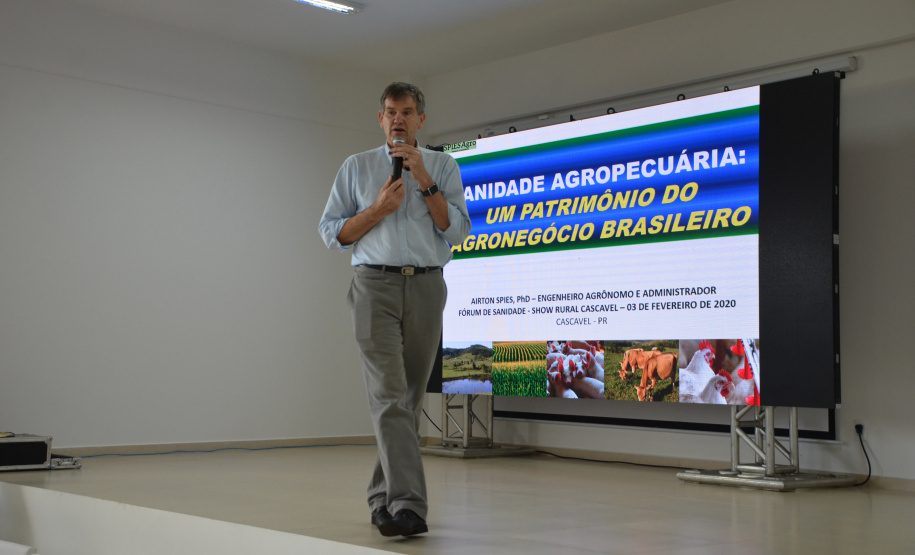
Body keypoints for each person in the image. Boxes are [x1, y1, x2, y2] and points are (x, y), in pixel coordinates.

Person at [318, 82, 471, 537]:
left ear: (421, 120)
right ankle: (409, 507)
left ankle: (380, 498)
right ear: (381, 118)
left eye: (407, 111)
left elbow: (457, 231)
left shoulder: (443, 166)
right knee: (389, 395)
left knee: (407, 401)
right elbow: (332, 232)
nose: (398, 119)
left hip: (426, 286)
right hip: (374, 286)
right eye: (390, 111)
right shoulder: (356, 167)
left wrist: (425, 181)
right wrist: (379, 209)